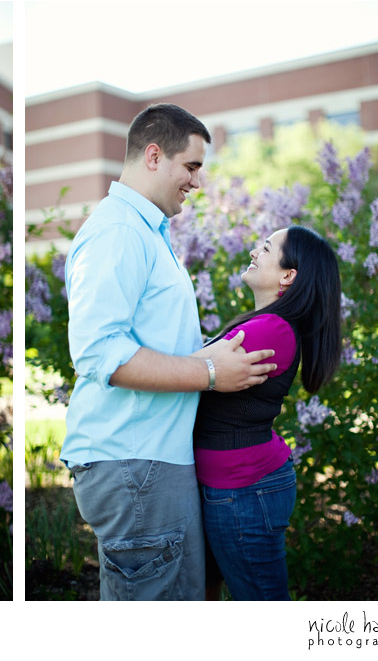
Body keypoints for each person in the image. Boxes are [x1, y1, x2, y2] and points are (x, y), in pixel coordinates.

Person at [61, 103, 279, 601]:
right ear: (154, 155)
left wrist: (215, 356)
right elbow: (100, 354)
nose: (197, 182)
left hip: (148, 460)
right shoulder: (118, 232)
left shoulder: (145, 232)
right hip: (134, 463)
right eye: (192, 166)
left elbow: (142, 342)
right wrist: (209, 371)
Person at [195, 225, 341, 601]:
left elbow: (183, 370)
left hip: (244, 492)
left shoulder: (270, 330)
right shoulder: (265, 324)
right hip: (235, 487)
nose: (255, 252)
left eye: (265, 248)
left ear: (288, 275)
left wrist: (126, 363)